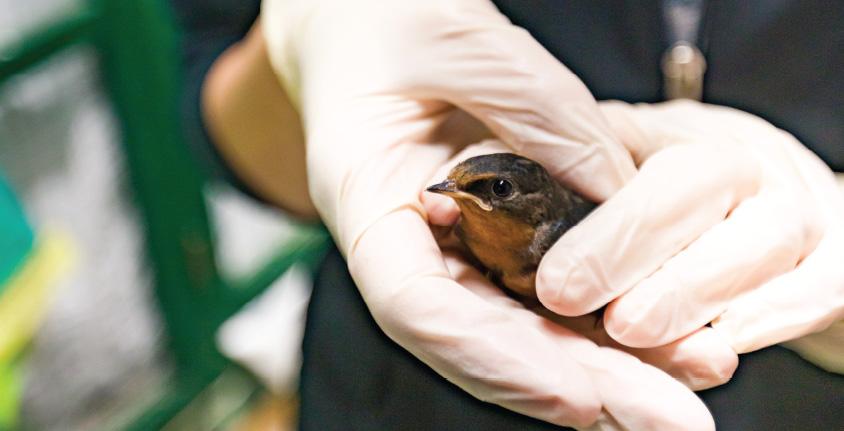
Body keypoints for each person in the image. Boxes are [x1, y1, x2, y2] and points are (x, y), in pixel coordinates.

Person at [174, 0, 844, 429]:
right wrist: (310, 36)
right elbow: (205, 102)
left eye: (489, 192)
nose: (456, 197)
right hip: (400, 394)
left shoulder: (549, 231)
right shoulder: (460, 222)